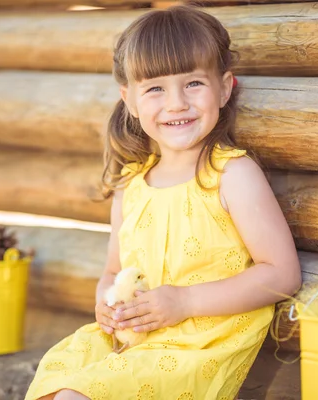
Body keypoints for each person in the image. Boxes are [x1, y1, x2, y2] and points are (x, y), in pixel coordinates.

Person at [25, 5, 301, 400]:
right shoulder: (131, 184)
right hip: (134, 342)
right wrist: (108, 304)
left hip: (195, 347)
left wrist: (185, 300)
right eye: (155, 88)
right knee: (57, 379)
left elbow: (281, 274)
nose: (176, 104)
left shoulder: (231, 175)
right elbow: (112, 272)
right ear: (130, 100)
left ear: (224, 87)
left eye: (192, 84)